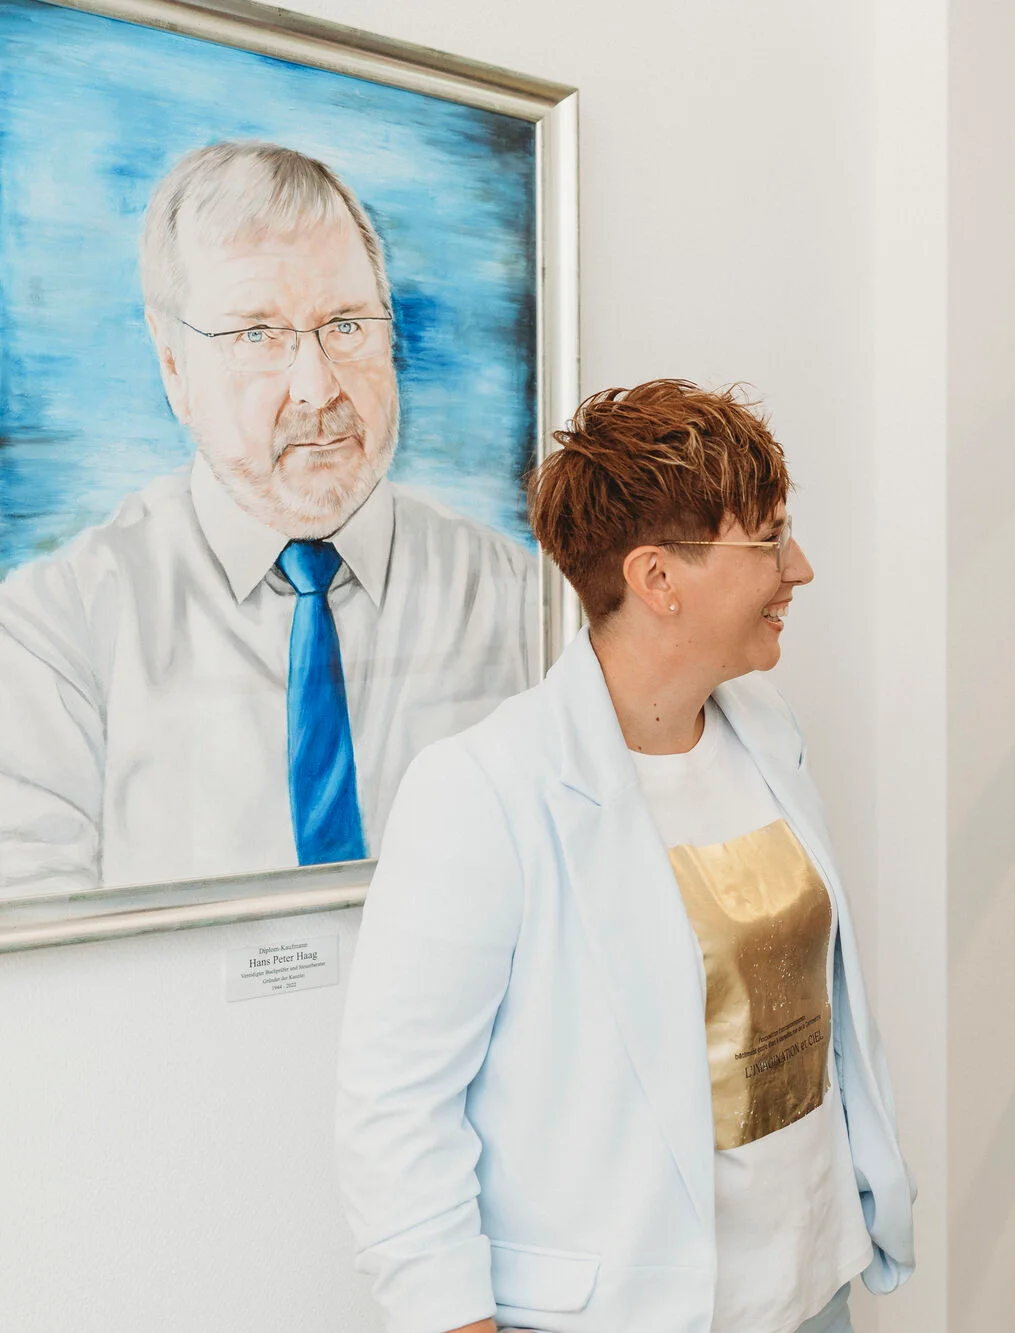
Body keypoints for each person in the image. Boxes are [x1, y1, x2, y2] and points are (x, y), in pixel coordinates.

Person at [335, 379, 913, 1333]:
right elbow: (396, 1110)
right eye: (767, 538)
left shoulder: (766, 732)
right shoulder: (484, 791)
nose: (798, 567)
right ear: (658, 579)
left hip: (812, 1289)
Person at [0, 140, 535, 895]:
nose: (317, 389)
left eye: (346, 324)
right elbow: (38, 973)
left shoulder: (517, 598)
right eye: (258, 335)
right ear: (173, 367)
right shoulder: (53, 632)